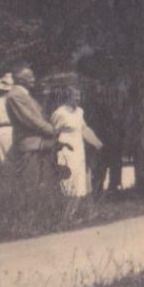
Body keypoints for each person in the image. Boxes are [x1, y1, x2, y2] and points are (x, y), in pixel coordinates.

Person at [4, 65, 58, 195]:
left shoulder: (25, 95)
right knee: (30, 184)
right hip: (29, 145)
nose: (34, 79)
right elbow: (30, 119)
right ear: (20, 79)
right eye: (30, 77)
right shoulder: (15, 96)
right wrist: (51, 130)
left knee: (42, 184)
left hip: (38, 144)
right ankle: (29, 213)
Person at [49, 85, 103, 214]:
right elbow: (52, 132)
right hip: (65, 149)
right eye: (75, 97)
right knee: (69, 178)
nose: (78, 100)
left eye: (79, 97)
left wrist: (96, 142)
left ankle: (80, 212)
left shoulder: (80, 111)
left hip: (78, 147)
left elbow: (83, 129)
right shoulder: (59, 113)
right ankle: (67, 213)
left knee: (81, 177)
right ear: (68, 97)